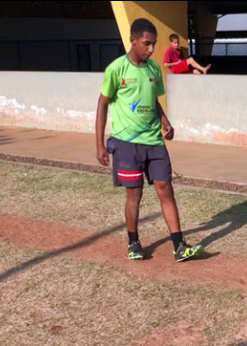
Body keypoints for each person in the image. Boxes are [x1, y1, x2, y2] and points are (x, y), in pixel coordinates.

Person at [95, 18, 204, 262]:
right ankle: (133, 242)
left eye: (153, 44)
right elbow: (102, 105)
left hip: (154, 141)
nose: (151, 49)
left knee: (166, 188)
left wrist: (165, 121)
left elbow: (153, 101)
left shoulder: (154, 69)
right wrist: (99, 144)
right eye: (146, 43)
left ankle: (179, 246)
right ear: (132, 41)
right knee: (135, 194)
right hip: (127, 143)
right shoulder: (116, 69)